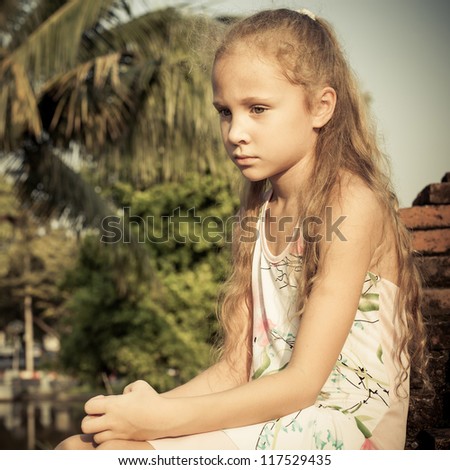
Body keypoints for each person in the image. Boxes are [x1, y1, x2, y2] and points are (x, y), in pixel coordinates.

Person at [55, 8, 428, 450]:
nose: (235, 132)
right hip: (276, 414)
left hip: (344, 424)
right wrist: (139, 413)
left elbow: (304, 383)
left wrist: (158, 419)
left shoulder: (351, 202)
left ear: (321, 107)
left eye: (257, 109)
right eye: (225, 112)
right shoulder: (260, 211)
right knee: (77, 448)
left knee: (115, 455)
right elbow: (235, 368)